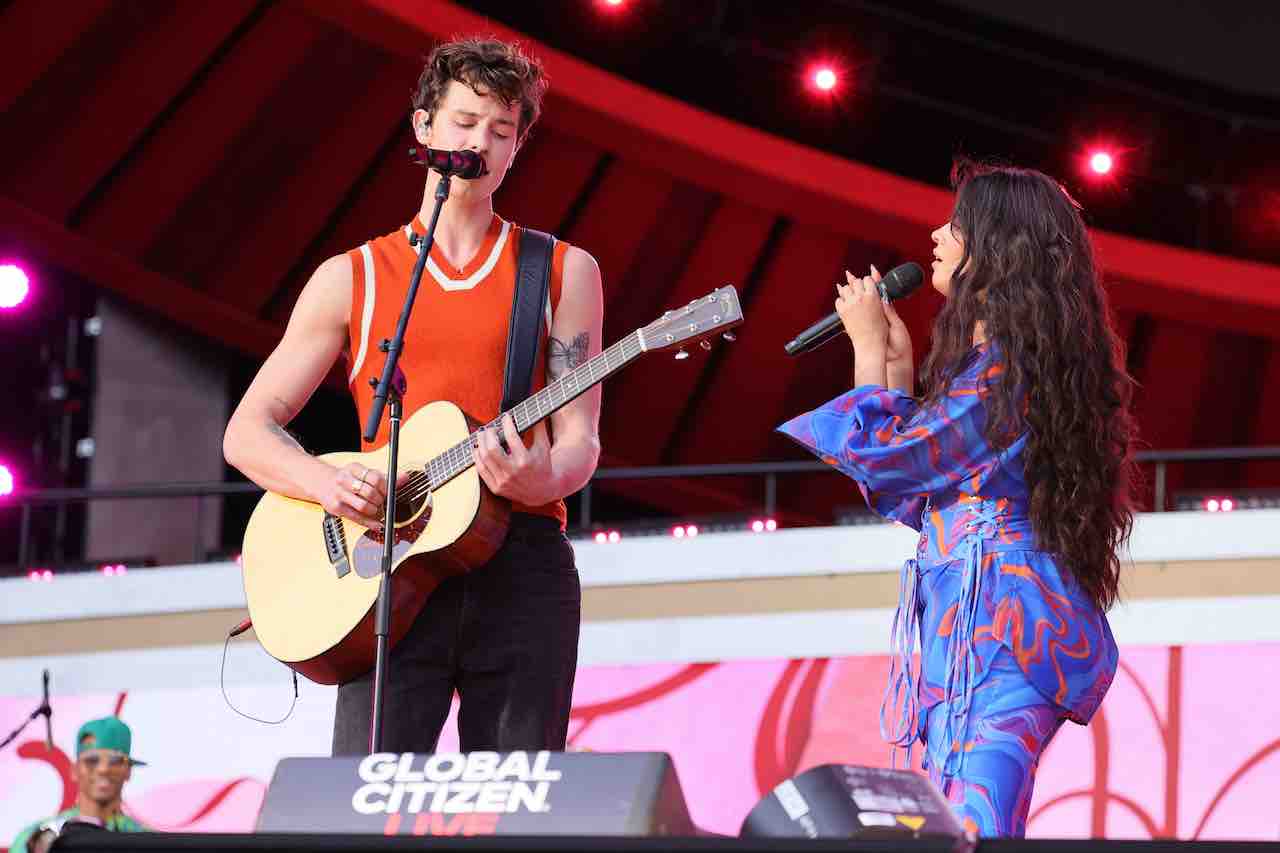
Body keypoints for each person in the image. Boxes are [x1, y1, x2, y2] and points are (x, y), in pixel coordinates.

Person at [223, 37, 603, 755]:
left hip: (520, 556)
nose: (480, 143)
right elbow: (247, 431)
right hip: (388, 561)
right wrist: (331, 483)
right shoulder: (353, 276)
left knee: (518, 806)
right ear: (423, 127)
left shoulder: (561, 269)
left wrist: (543, 475)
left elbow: (580, 437)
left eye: (501, 131)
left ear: (518, 147)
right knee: (367, 806)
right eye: (463, 122)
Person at [777, 159, 1137, 837]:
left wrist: (865, 351)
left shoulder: (1009, 370)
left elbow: (893, 458)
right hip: (968, 621)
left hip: (1002, 626)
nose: (937, 235)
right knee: (954, 822)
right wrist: (893, 369)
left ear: (999, 247)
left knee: (972, 824)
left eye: (957, 223)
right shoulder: (1000, 369)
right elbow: (911, 493)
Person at [10, 717, 148, 853]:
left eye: (116, 761)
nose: (103, 769)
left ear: (128, 771)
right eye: (92, 760)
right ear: (74, 770)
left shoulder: (146, 840)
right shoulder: (33, 839)